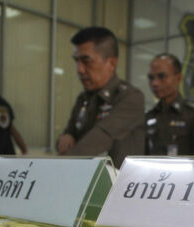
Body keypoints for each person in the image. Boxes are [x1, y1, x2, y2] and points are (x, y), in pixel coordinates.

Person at [57, 27, 145, 168]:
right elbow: (70, 134)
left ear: (111, 63)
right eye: (77, 61)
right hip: (86, 180)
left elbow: (99, 139)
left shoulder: (130, 97)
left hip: (117, 185)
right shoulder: (84, 98)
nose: (79, 69)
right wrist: (66, 136)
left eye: (86, 61)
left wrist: (57, 166)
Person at [145, 53, 194, 156]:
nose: (155, 83)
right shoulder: (149, 116)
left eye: (162, 76)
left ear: (178, 78)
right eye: (151, 78)